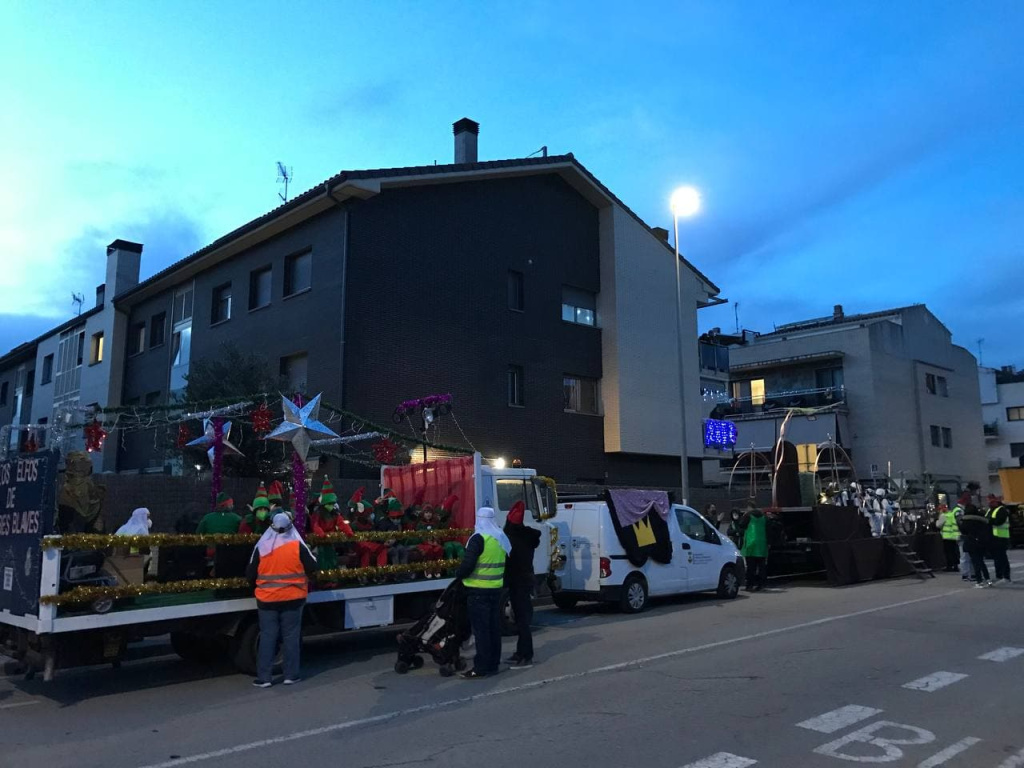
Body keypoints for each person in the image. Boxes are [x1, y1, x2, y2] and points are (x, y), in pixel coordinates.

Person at [246, 511, 318, 687]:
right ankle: (291, 675)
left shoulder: (262, 546)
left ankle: (264, 678)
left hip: (267, 600)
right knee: (291, 637)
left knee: (268, 637)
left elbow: (249, 573)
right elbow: (313, 566)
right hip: (293, 598)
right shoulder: (297, 546)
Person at [455, 506, 510, 679]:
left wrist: (458, 575)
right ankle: (493, 664)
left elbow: (468, 564)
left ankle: (481, 667)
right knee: (494, 629)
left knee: (481, 631)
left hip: (478, 590)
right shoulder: (501, 537)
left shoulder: (478, 538)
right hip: (496, 589)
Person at [503, 501, 540, 668]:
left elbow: (509, 563)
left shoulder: (511, 539)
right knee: (522, 618)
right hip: (526, 579)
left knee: (522, 621)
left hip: (517, 581)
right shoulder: (527, 537)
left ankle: (526, 655)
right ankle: (521, 652)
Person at [959, 502, 993, 588]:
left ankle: (979, 581)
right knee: (981, 562)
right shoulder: (982, 519)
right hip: (981, 542)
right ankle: (988, 579)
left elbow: (963, 531)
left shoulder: (966, 520)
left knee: (975, 562)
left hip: (971, 542)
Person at [739, 501, 768, 592]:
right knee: (761, 566)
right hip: (762, 543)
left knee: (751, 566)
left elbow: (741, 525)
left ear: (748, 508)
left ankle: (750, 585)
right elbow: (768, 528)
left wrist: (743, 516)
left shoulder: (748, 516)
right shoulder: (764, 516)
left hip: (751, 543)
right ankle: (761, 585)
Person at [987, 495, 1012, 583]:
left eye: (991, 501)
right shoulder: (990, 510)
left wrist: (989, 520)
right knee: (997, 558)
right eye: (989, 502)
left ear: (996, 501)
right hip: (993, 537)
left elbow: (998, 521)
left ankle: (1006, 576)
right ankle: (999, 575)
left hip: (1001, 537)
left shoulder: (1002, 510)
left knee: (1002, 557)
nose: (989, 503)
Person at [935, 499, 960, 572]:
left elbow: (938, 525)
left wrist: (936, 520)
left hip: (946, 537)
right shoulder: (951, 514)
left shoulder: (943, 515)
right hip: (953, 536)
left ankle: (949, 566)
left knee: (948, 552)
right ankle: (955, 566)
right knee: (954, 552)